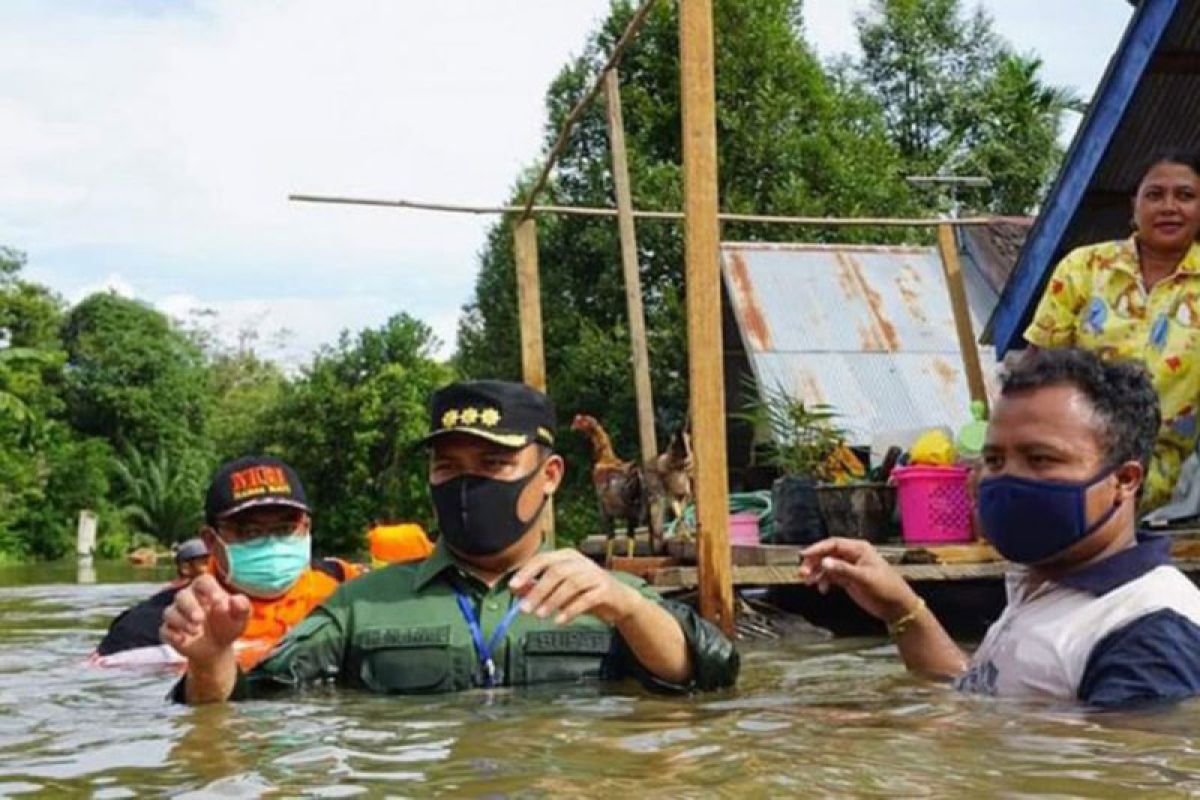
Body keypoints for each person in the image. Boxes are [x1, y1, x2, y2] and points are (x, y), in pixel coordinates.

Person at [162, 380, 739, 702]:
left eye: (493, 462)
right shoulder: (362, 605)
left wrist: (630, 608)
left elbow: (710, 673)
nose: (468, 484)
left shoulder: (610, 598)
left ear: (552, 476)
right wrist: (210, 658)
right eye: (448, 466)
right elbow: (240, 707)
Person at [799, 349, 1200, 709]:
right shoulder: (1047, 583)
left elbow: (1120, 779)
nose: (1006, 480)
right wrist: (901, 609)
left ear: (1125, 480)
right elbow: (978, 693)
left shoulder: (1147, 630)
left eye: (1040, 459)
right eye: (993, 460)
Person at [1024, 149, 1200, 509]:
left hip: (1160, 476)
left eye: (1185, 195)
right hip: (1068, 457)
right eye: (1154, 195)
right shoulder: (1084, 267)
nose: (1169, 207)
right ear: (1133, 206)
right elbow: (1035, 371)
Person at [94, 456, 362, 668]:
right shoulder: (156, 628)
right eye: (251, 532)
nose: (270, 544)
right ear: (210, 541)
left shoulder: (347, 589)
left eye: (284, 528)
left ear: (306, 528)